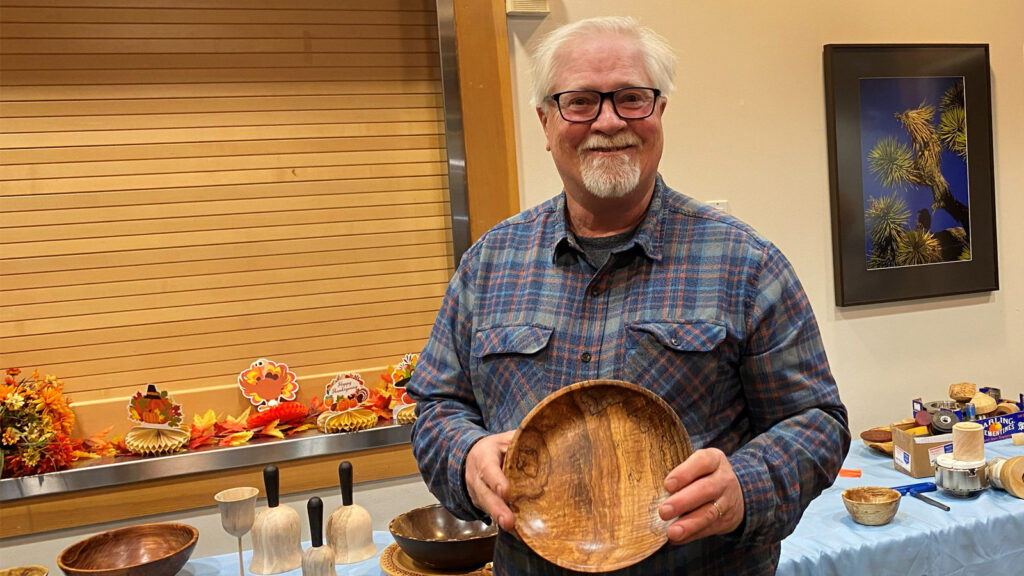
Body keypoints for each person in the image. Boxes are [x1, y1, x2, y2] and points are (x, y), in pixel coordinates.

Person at [407, 16, 850, 576]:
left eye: (631, 98)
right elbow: (436, 407)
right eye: (580, 102)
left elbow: (817, 420)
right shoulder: (489, 264)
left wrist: (746, 484)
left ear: (660, 110)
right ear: (545, 122)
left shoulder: (746, 264)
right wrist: (466, 456)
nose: (609, 121)